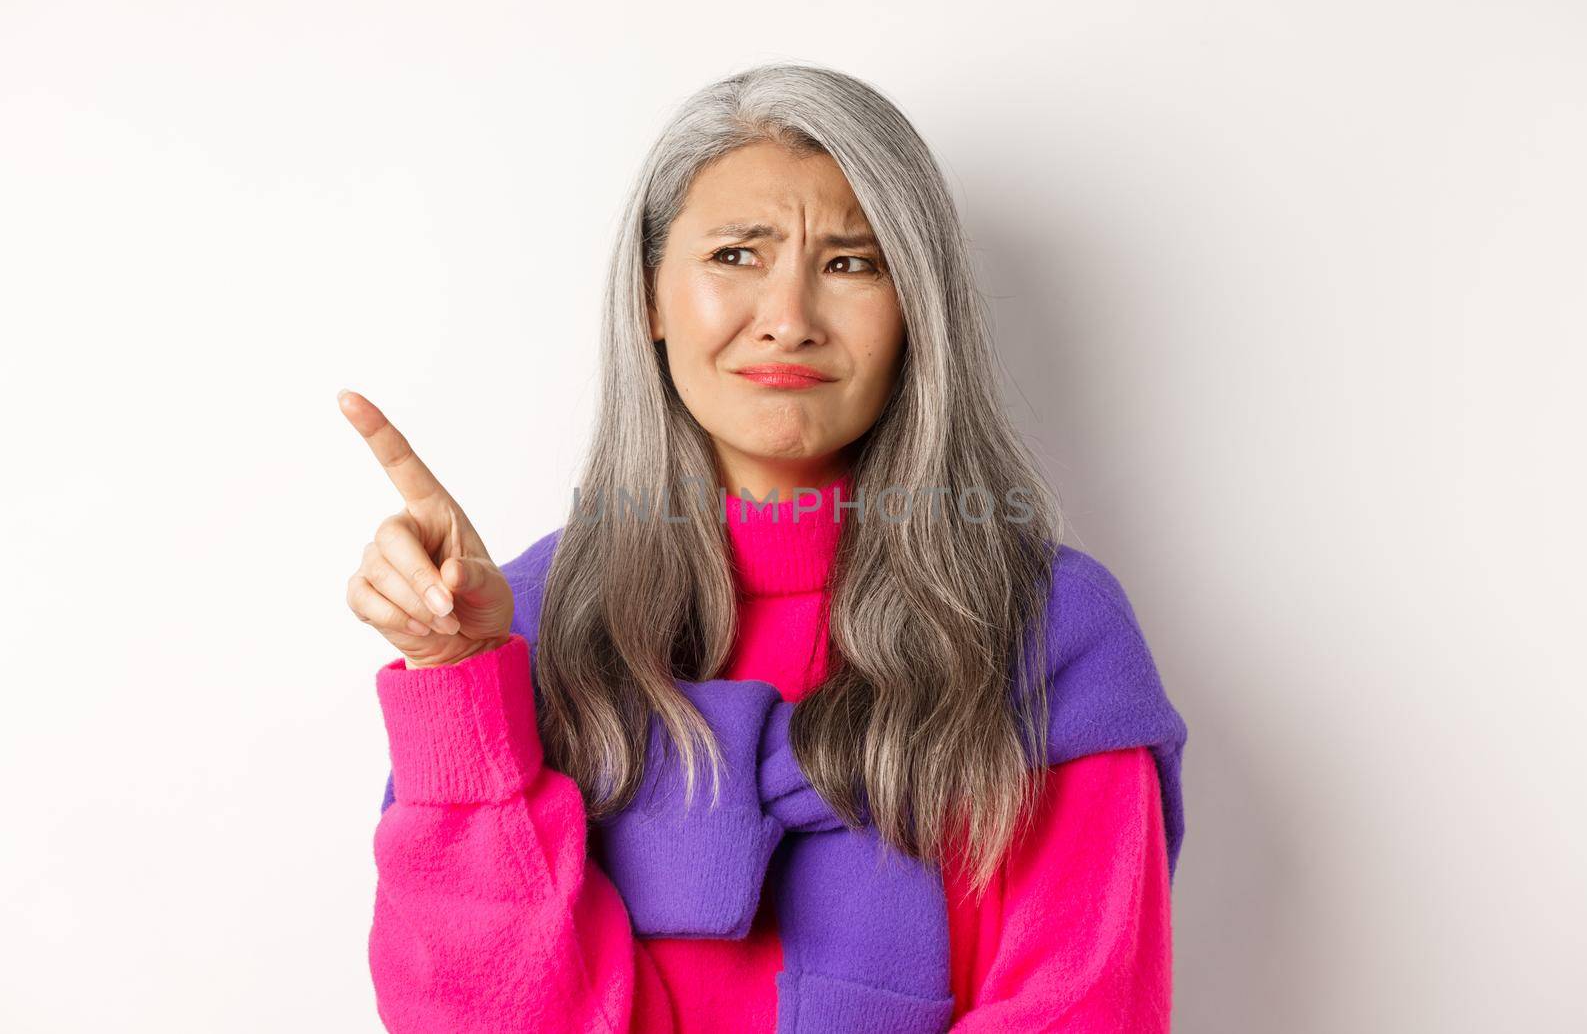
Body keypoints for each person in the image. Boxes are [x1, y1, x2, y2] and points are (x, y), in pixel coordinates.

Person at [341, 61, 1186, 1033]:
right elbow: (478, 1017)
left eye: (850, 262)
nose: (787, 317)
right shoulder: (522, 620)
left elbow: (1086, 1006)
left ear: (917, 313)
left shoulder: (1047, 627)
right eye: (737, 255)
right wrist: (454, 673)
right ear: (650, 299)